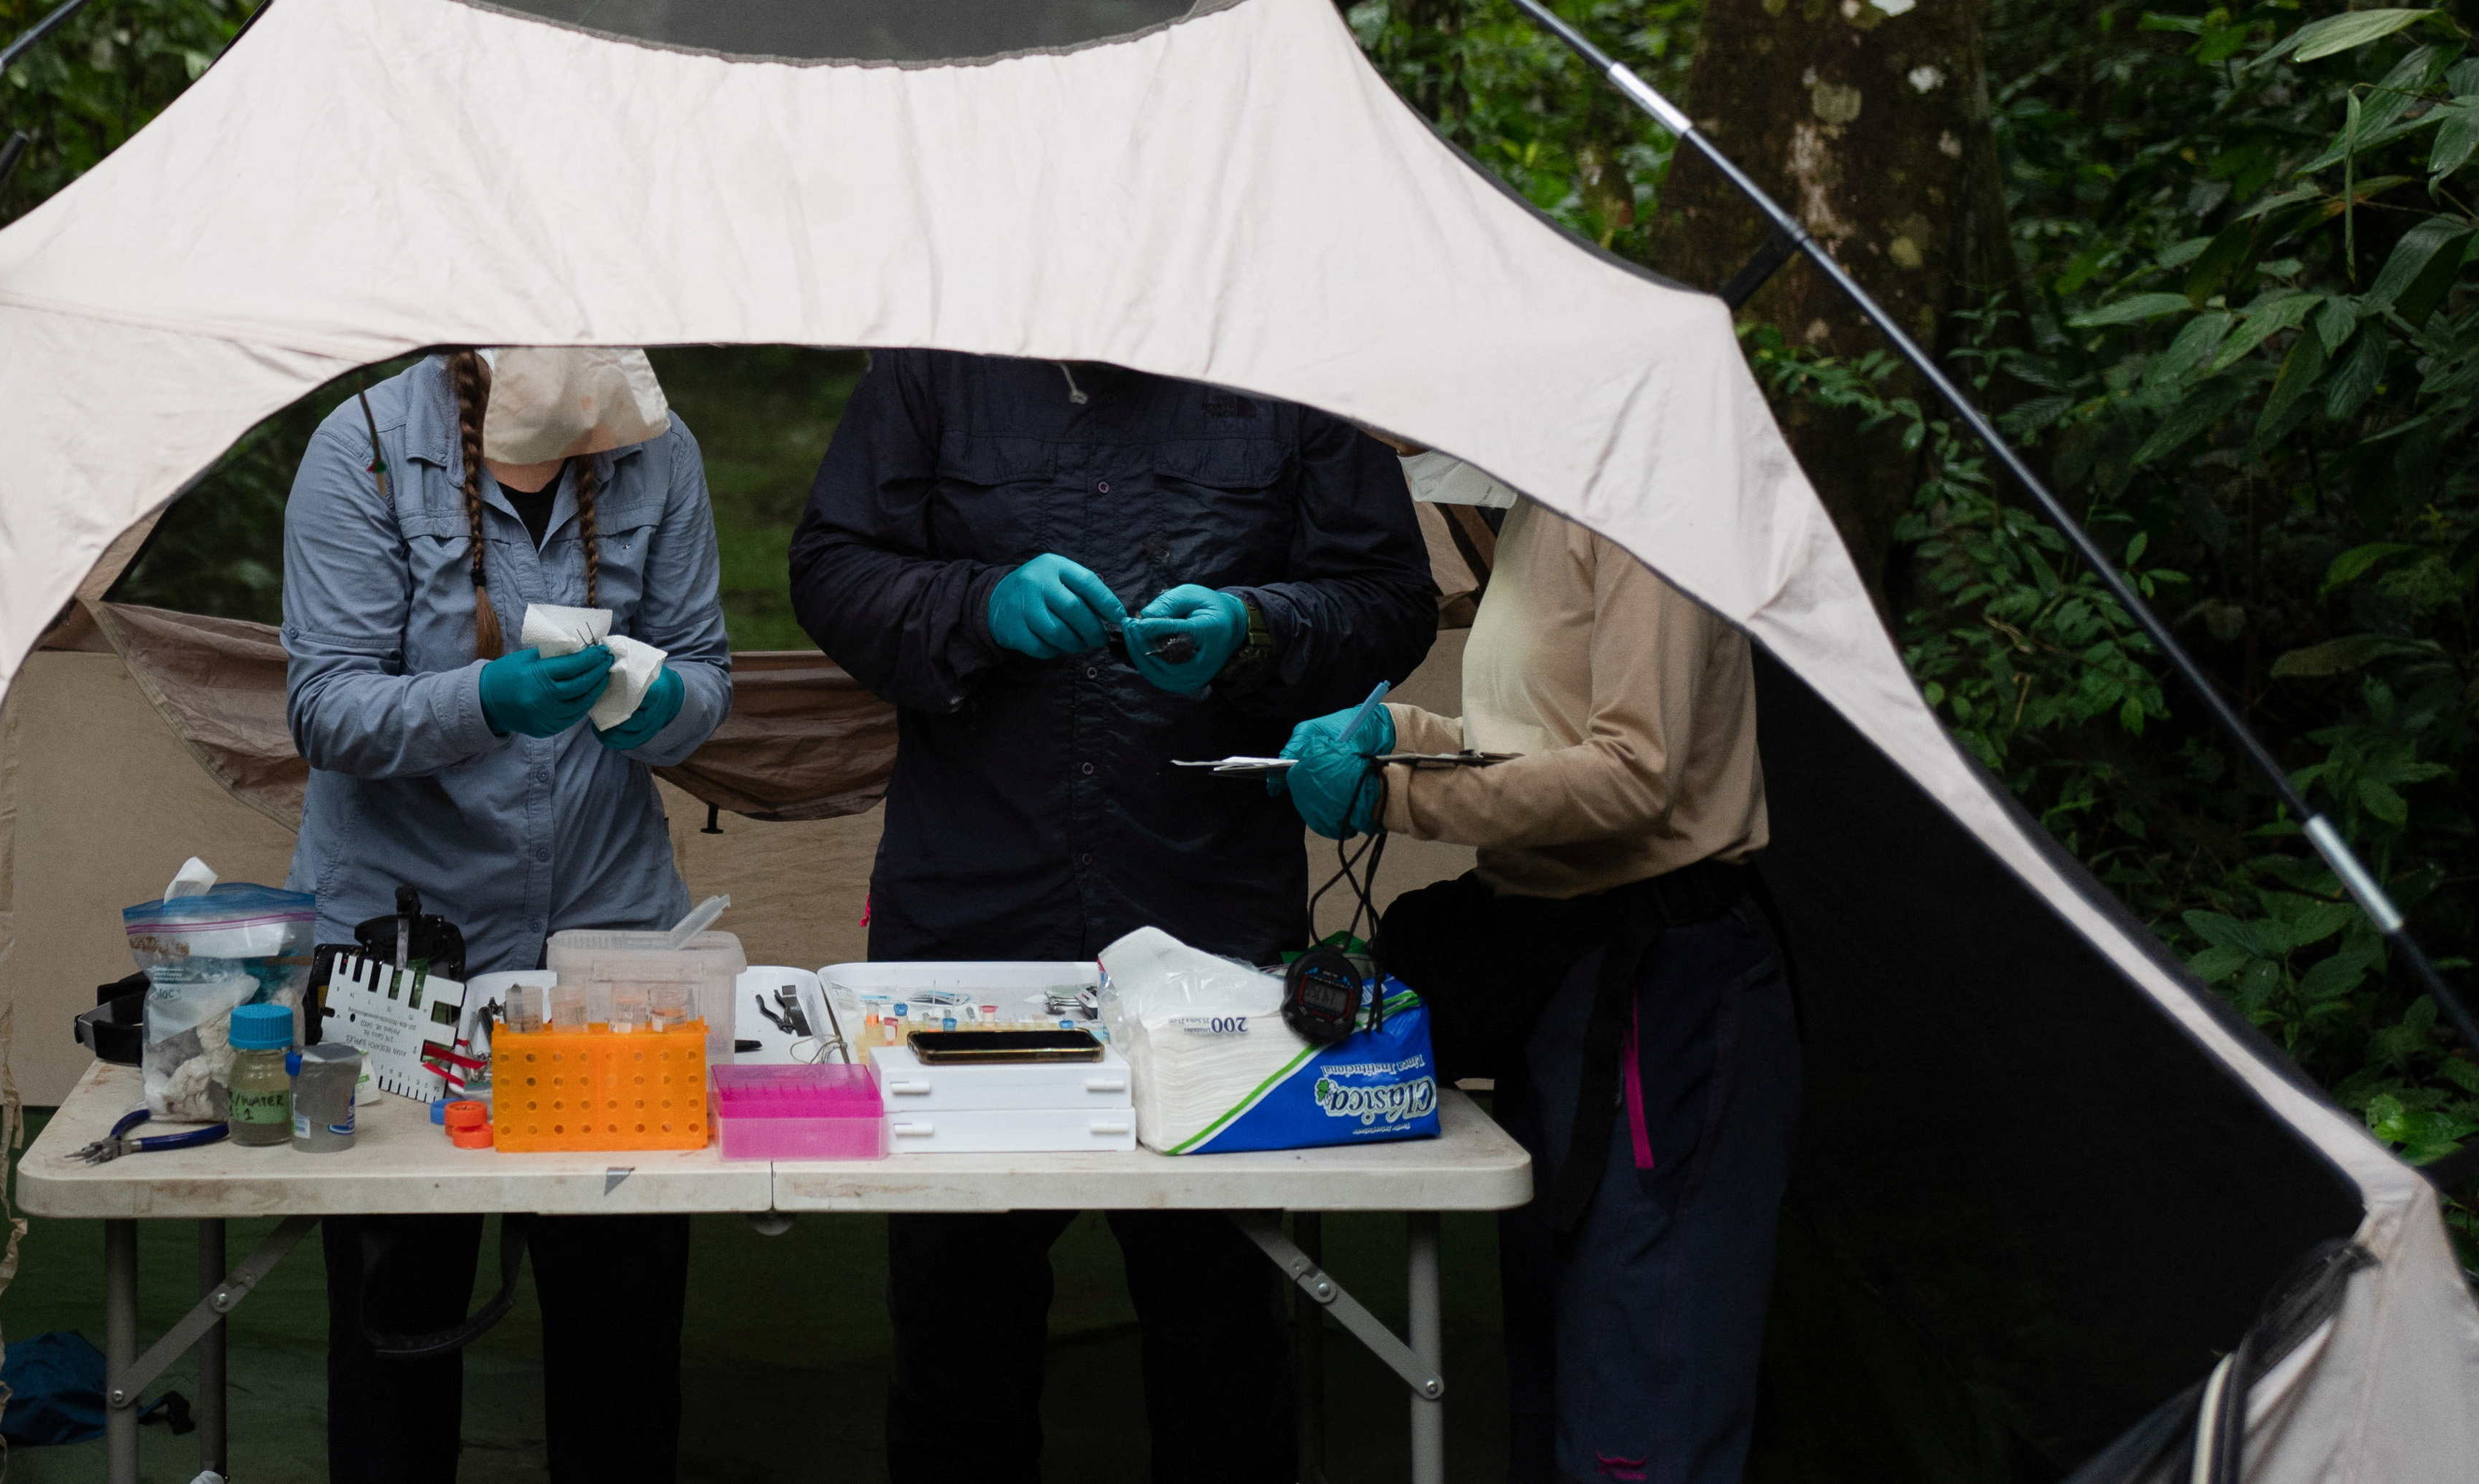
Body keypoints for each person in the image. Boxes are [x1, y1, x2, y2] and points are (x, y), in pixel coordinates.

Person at [789, 351, 1439, 1484]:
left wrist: (1254, 626)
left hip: (1212, 933)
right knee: (956, 1325)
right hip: (973, 928)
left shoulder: (1282, 360)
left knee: (1223, 1323)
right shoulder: (934, 365)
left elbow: (1390, 601)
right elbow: (833, 570)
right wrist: (977, 601)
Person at [280, 343, 731, 1484]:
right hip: (402, 953)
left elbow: (709, 674)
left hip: (609, 940)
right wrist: (489, 699)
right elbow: (326, 708)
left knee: (621, 1332)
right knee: (399, 1326)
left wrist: (664, 710)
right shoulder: (369, 450)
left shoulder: (658, 448)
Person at [1288, 494, 1792, 1484]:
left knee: (1640, 1381)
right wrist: (1399, 731)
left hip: (1664, 994)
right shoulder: (1535, 506)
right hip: (1560, 972)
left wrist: (1398, 789)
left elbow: (1637, 770)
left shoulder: (1647, 502)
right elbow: (1539, 734)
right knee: (1562, 1364)